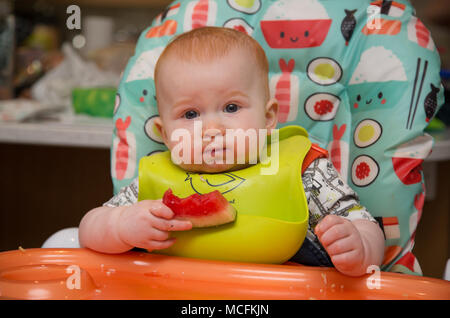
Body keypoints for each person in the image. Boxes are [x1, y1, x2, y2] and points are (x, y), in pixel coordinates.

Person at [79, 27, 384, 277]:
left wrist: (358, 246)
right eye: (190, 115)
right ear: (165, 135)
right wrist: (120, 226)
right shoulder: (155, 182)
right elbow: (88, 230)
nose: (212, 128)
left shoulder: (304, 170)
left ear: (268, 119)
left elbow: (368, 227)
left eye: (231, 107)